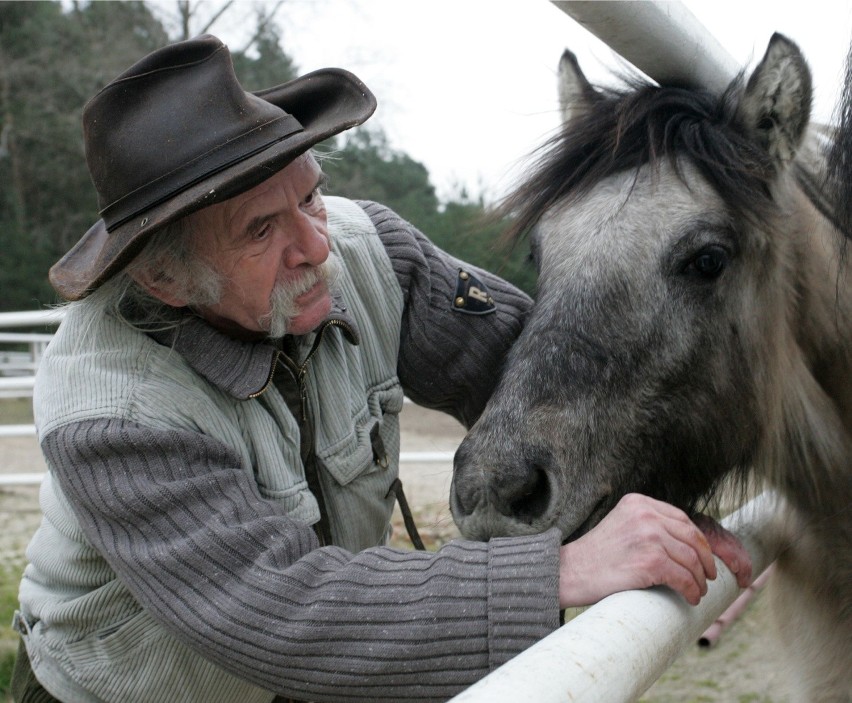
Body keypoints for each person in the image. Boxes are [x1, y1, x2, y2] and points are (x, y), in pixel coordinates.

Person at [12, 34, 751, 703]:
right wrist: (562, 570)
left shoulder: (372, 256)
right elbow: (277, 608)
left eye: (309, 195)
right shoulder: (109, 414)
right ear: (166, 280)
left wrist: (664, 492)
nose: (315, 247)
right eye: (261, 229)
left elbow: (548, 377)